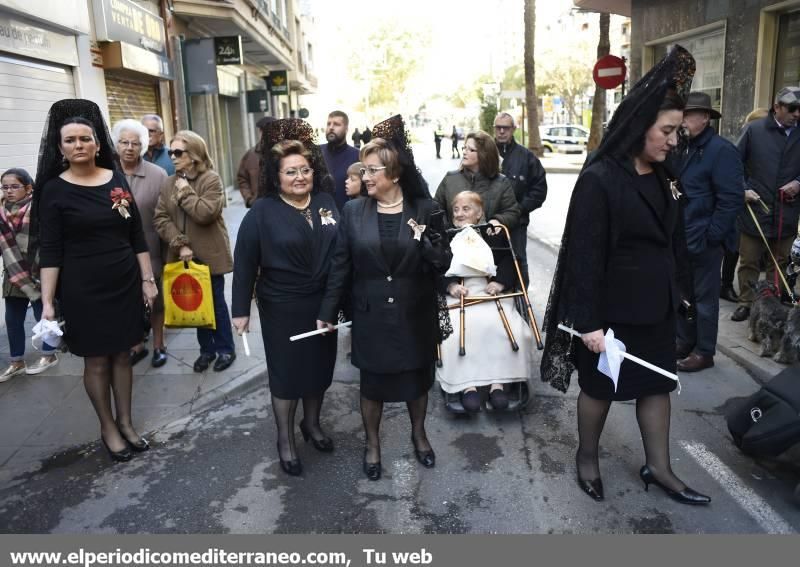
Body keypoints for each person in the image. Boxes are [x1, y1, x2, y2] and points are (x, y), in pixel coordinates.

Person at [541, 46, 711, 505]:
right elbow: (583, 257)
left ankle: (660, 468)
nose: (673, 140)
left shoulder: (664, 174)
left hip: (654, 306)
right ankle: (587, 459)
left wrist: (683, 295)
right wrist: (589, 323)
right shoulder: (601, 179)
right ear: (639, 127)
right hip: (610, 312)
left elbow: (673, 240)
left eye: (677, 131)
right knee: (598, 388)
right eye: (667, 130)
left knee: (658, 384)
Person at [317, 116, 451, 481]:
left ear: (393, 173)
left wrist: (428, 244)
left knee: (416, 382)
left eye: (372, 170)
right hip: (371, 314)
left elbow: (443, 262)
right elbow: (340, 265)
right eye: (364, 169)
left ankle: (419, 434)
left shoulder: (425, 209)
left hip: (414, 313)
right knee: (372, 386)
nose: (365, 176)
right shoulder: (353, 211)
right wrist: (327, 311)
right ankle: (372, 444)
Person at [34, 99, 157, 462]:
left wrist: (147, 279)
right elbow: (50, 250)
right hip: (81, 289)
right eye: (69, 140)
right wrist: (47, 302)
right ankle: (108, 427)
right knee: (97, 361)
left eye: (84, 139)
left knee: (125, 353)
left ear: (97, 144)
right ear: (60, 149)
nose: (78, 145)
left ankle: (127, 422)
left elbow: (136, 234)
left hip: (123, 280)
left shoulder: (115, 179)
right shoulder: (54, 190)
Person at [232, 120, 338, 477]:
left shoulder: (326, 202)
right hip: (282, 306)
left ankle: (312, 425)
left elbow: (342, 252)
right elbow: (244, 261)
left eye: (305, 169)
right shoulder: (262, 211)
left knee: (319, 368)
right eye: (290, 171)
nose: (299, 176)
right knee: (287, 374)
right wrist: (240, 310)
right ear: (276, 177)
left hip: (324, 303)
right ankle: (286, 438)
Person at [437, 190, 533, 411]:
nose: (460, 214)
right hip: (459, 293)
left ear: (479, 213)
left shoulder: (493, 235)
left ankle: (498, 384)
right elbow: (436, 269)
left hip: (491, 292)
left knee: (512, 330)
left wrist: (500, 282)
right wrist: (450, 286)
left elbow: (511, 262)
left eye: (466, 208)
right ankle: (467, 386)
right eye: (456, 209)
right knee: (458, 333)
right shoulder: (446, 236)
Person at [153, 130, 236, 373]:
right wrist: (179, 243)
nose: (173, 157)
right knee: (195, 305)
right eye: (171, 152)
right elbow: (160, 218)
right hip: (182, 254)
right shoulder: (168, 182)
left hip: (210, 254)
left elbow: (205, 213)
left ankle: (225, 349)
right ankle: (206, 351)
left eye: (178, 152)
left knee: (216, 304)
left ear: (195, 154)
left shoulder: (211, 179)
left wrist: (185, 191)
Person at [671, 93, 743, 372]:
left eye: (688, 115)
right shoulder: (682, 146)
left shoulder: (722, 150)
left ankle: (704, 352)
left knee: (704, 300)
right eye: (682, 115)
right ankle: (684, 341)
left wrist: (711, 236)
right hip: (682, 238)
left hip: (705, 241)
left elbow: (731, 200)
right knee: (682, 296)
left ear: (705, 118)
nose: (683, 120)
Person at [731, 87, 800, 322]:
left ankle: (772, 304)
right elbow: (733, 163)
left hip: (787, 211)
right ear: (777, 108)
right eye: (792, 109)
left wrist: (798, 183)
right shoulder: (754, 130)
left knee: (779, 262)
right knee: (749, 260)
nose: (797, 114)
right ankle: (747, 303)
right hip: (755, 209)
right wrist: (742, 189)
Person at [112, 119, 169, 368]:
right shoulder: (107, 175)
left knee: (155, 301)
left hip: (152, 247)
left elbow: (166, 213)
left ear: (143, 146)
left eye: (135, 143)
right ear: (116, 144)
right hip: (118, 252)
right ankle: (136, 345)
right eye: (124, 142)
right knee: (128, 302)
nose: (129, 148)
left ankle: (158, 345)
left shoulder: (157, 175)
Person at [0, 168, 58, 381]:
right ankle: (16, 361)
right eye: (5, 187)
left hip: (38, 270)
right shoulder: (1, 212)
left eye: (14, 186)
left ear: (28, 187)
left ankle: (48, 354)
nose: (9, 191)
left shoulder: (39, 208)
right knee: (12, 319)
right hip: (14, 272)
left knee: (43, 314)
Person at [720, 108, 770, 303]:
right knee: (733, 247)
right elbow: (732, 170)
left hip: (760, 202)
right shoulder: (745, 141)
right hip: (742, 202)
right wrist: (743, 191)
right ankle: (726, 286)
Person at [493, 112, 548, 289]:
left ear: (513, 129)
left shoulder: (526, 157)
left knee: (518, 260)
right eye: (498, 127)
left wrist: (520, 209)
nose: (501, 131)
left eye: (506, 128)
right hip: (489, 222)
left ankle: (521, 298)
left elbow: (539, 189)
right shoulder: (485, 154)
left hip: (517, 223)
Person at [434, 130, 520, 231]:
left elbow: (512, 212)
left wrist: (498, 221)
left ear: (484, 154)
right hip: (453, 243)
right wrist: (447, 229)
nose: (465, 152)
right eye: (464, 148)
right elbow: (435, 209)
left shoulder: (501, 182)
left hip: (489, 244)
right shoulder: (450, 178)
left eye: (471, 150)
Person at [320, 110, 360, 210]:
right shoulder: (316, 152)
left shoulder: (357, 155)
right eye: (328, 124)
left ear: (346, 129)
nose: (331, 127)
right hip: (319, 215)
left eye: (337, 124)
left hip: (347, 216)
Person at [236, 116, 275, 208]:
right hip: (259, 208)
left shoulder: (286, 153)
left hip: (284, 208)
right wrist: (249, 199)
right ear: (260, 132)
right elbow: (242, 178)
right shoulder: (250, 155)